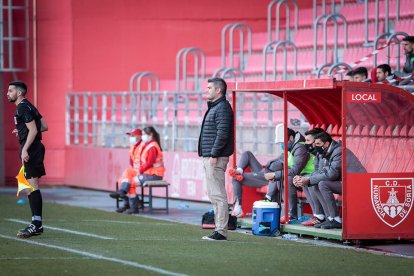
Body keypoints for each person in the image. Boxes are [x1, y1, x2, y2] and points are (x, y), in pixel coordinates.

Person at [229, 128, 315, 224]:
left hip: (271, 176)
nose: (282, 145)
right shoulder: (292, 147)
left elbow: (286, 167)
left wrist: (272, 169)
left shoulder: (299, 148)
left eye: (283, 142)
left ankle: (247, 204)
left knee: (236, 179)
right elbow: (279, 161)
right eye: (280, 143)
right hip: (267, 171)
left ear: (291, 138)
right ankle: (239, 171)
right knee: (247, 154)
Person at [294, 131, 366, 229]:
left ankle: (335, 219)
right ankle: (330, 218)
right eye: (315, 143)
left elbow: (332, 174)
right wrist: (303, 178)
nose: (316, 146)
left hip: (356, 182)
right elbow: (319, 171)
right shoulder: (324, 152)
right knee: (315, 182)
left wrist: (309, 179)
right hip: (344, 181)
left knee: (322, 184)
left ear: (326, 143)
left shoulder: (339, 151)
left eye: (318, 144)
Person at [7, 81, 48, 238]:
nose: (7, 93)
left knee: (32, 186)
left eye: (10, 91)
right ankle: (35, 223)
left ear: (19, 93)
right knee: (29, 186)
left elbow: (34, 129)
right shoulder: (29, 105)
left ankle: (36, 224)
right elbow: (43, 126)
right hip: (34, 147)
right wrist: (21, 131)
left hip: (31, 149)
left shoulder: (22, 107)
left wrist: (25, 149)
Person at [198, 77, 234, 241]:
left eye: (210, 88)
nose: (207, 90)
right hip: (210, 155)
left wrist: (214, 154)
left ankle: (221, 231)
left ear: (218, 90)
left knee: (218, 195)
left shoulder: (223, 108)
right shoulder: (217, 107)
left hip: (215, 157)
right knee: (214, 194)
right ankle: (219, 229)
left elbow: (222, 133)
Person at [111, 126, 165, 214]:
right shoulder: (146, 145)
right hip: (146, 172)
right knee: (124, 178)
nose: (143, 136)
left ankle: (133, 205)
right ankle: (125, 196)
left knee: (130, 182)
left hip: (153, 174)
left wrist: (139, 170)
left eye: (143, 134)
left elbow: (149, 163)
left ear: (150, 135)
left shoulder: (151, 146)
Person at [297, 128, 327, 227]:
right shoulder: (316, 153)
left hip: (334, 179)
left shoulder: (324, 152)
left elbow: (325, 172)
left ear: (316, 141)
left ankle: (320, 216)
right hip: (325, 176)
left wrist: (309, 178)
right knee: (306, 181)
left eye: (308, 141)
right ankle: (316, 214)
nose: (306, 143)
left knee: (311, 181)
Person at [109, 128, 143, 214]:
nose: (131, 137)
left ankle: (123, 195)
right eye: (130, 135)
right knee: (122, 181)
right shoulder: (133, 146)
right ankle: (127, 203)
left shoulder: (143, 146)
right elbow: (131, 160)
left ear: (139, 136)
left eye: (133, 135)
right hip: (136, 170)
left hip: (143, 171)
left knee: (127, 175)